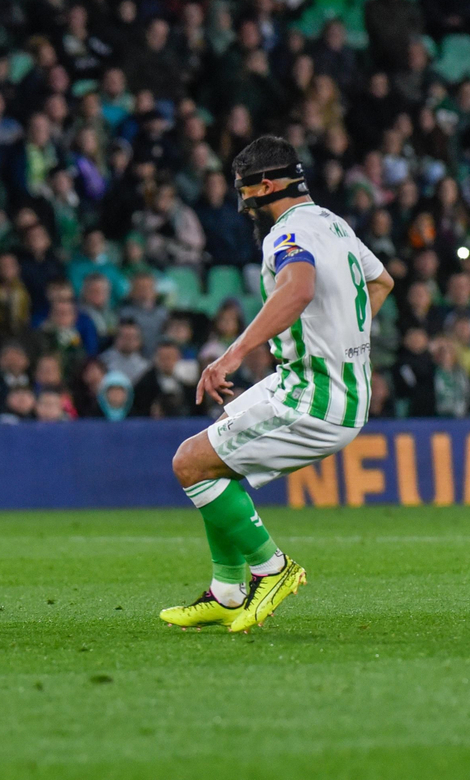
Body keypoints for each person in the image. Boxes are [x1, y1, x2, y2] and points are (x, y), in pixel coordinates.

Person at [162, 137, 393, 632]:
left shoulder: (285, 235)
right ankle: (227, 592)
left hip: (315, 395)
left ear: (266, 185)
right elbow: (381, 283)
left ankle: (272, 568)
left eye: (245, 189)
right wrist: (345, 339)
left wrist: (232, 353)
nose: (243, 200)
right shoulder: (334, 223)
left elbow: (300, 286)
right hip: (325, 383)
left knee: (189, 463)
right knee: (211, 455)